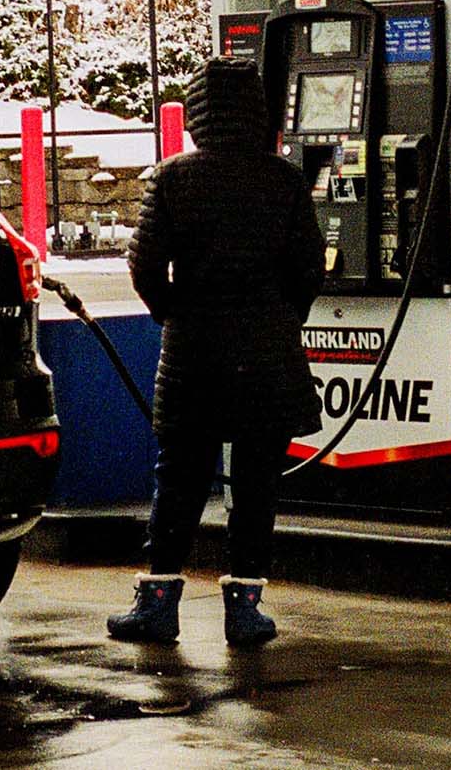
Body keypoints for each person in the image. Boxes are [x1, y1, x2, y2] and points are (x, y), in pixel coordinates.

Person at [107, 57, 325, 647]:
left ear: (198, 111)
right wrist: (282, 316)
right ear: (258, 111)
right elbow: (310, 266)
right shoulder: (283, 180)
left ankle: (156, 604)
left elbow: (144, 264)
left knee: (178, 478)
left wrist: (173, 310)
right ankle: (245, 609)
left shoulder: (174, 177)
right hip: (268, 353)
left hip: (193, 354)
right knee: (257, 481)